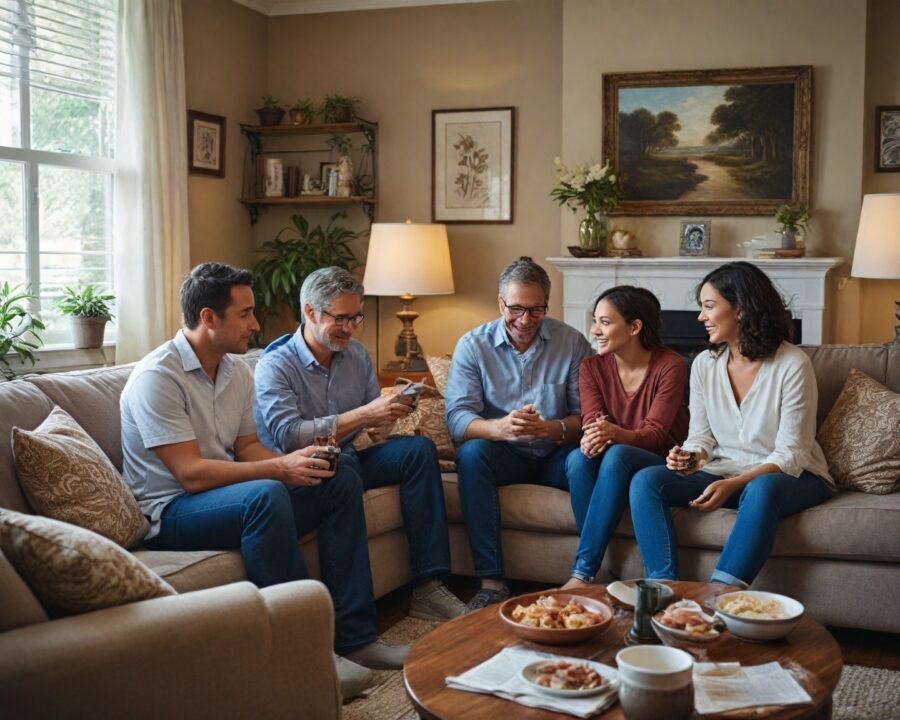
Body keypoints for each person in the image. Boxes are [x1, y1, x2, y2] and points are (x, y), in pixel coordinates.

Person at [120, 263, 405, 700]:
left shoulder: (235, 371)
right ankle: (306, 655)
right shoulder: (158, 378)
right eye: (246, 314)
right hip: (171, 512)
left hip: (226, 496)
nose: (256, 324)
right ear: (208, 318)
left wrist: (297, 465)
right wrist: (278, 471)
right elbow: (191, 474)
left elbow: (250, 447)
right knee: (266, 495)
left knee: (338, 473)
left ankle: (357, 637)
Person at [253, 266, 465, 622]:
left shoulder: (356, 355)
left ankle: (429, 587)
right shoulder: (276, 366)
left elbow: (368, 430)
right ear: (310, 312)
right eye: (341, 318)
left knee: (417, 452)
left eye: (356, 317)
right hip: (304, 474)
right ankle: (354, 623)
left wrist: (389, 415)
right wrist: (368, 413)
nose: (350, 328)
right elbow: (287, 436)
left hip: (350, 458)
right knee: (346, 465)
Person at [628, 261, 835, 588]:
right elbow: (701, 438)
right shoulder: (704, 365)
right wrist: (689, 458)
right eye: (701, 308)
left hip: (792, 477)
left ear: (740, 309)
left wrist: (734, 484)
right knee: (646, 480)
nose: (701, 317)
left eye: (709, 306)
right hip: (727, 469)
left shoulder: (793, 364)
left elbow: (791, 455)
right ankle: (665, 589)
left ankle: (720, 597)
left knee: (760, 489)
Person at [445, 257, 592, 612]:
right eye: (516, 309)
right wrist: (498, 428)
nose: (525, 320)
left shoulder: (571, 342)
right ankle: (492, 582)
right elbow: (457, 418)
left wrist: (552, 428)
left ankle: (590, 572)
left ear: (547, 304)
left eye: (536, 309)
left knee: (587, 458)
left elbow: (585, 416)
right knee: (471, 454)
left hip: (557, 452)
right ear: (500, 303)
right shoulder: (473, 345)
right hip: (503, 453)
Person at [562, 286, 688, 590]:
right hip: (613, 454)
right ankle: (594, 573)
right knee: (577, 459)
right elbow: (593, 421)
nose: (595, 331)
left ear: (634, 327)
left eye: (605, 322)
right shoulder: (591, 367)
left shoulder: (670, 366)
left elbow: (656, 435)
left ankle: (582, 573)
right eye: (595, 321)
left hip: (659, 458)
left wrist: (612, 434)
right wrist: (593, 437)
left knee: (618, 453)